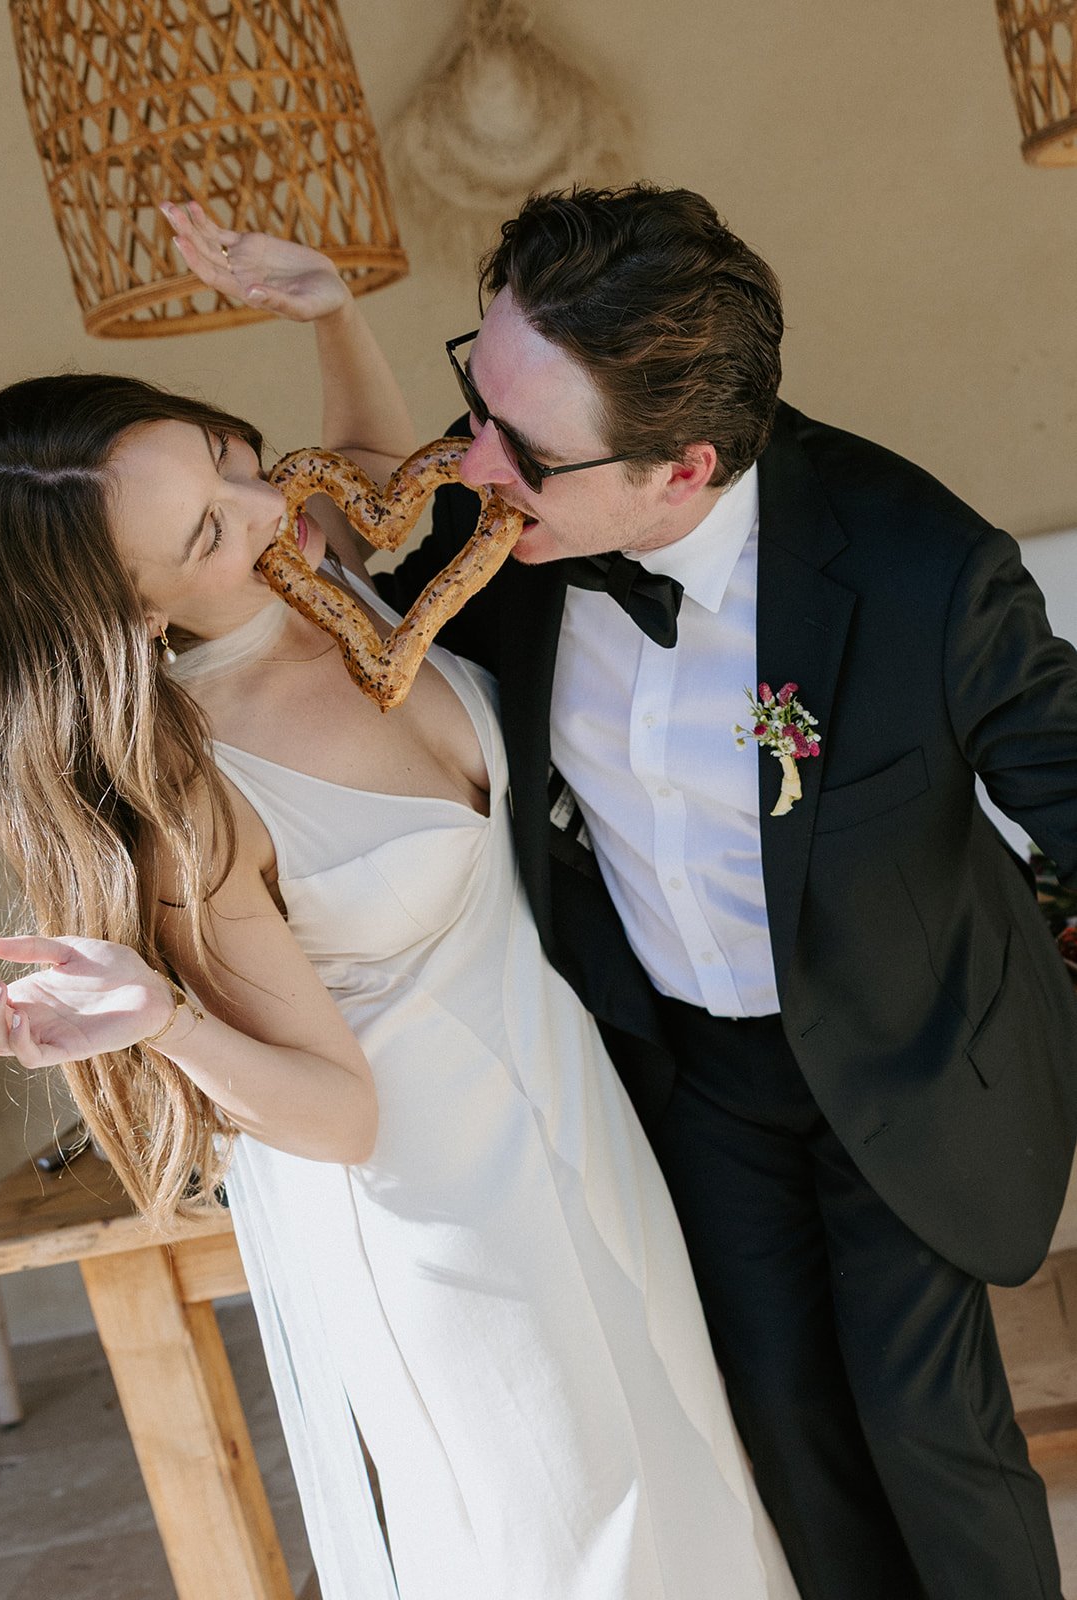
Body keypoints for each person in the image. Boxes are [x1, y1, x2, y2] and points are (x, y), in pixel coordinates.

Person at [0, 203, 797, 1600]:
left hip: (572, 1120)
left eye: (235, 460)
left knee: (693, 1484)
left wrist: (327, 312)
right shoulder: (195, 797)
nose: (264, 507)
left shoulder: (336, 581)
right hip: (440, 1214)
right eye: (210, 527)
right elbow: (336, 1115)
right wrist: (159, 1014)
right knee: (576, 1552)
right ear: (132, 605)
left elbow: (363, 470)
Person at [380, 182, 1077, 1600]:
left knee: (920, 1429)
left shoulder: (917, 568)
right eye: (477, 398)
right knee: (778, 1424)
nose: (474, 461)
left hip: (904, 1051)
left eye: (522, 446)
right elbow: (352, 623)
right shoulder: (501, 544)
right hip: (691, 1077)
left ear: (680, 469)